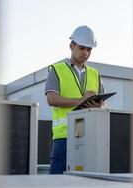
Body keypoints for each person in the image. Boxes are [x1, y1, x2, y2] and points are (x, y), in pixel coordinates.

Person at [45, 25, 104, 174]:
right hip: (63, 139)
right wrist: (81, 101)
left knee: (86, 187)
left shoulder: (95, 74)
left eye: (89, 49)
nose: (86, 53)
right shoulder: (56, 70)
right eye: (82, 48)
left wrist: (98, 105)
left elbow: (102, 105)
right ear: (72, 45)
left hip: (89, 137)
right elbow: (52, 99)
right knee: (57, 186)